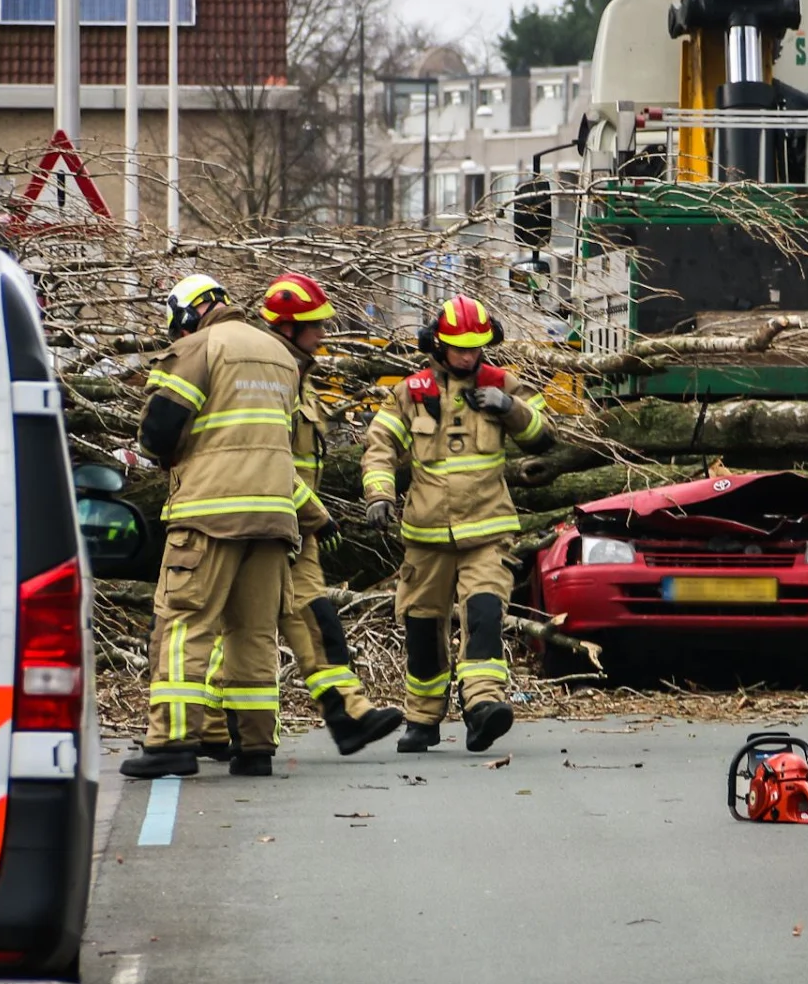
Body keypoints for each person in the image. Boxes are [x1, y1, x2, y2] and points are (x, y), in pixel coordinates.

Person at [120, 274, 327, 779]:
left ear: (188, 314)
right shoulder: (278, 354)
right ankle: (255, 748)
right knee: (253, 633)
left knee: (185, 622)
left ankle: (170, 742)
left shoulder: (197, 348)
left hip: (209, 514)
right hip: (274, 516)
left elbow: (157, 432)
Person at [360, 295, 557, 753]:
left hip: (488, 530)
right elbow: (380, 445)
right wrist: (379, 495)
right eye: (459, 347)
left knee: (484, 615)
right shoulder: (413, 391)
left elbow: (544, 438)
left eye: (476, 346)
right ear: (439, 343)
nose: (468, 355)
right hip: (426, 537)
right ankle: (422, 719)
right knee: (422, 627)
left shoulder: (503, 383)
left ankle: (483, 708)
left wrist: (509, 406)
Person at [256, 271, 405, 754]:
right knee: (238, 630)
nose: (323, 333)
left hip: (296, 529)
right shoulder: (268, 380)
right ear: (286, 328)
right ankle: (219, 729)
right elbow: (265, 459)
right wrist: (316, 513)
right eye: (314, 325)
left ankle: (349, 713)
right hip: (265, 525)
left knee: (318, 622)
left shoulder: (301, 381)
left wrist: (312, 518)